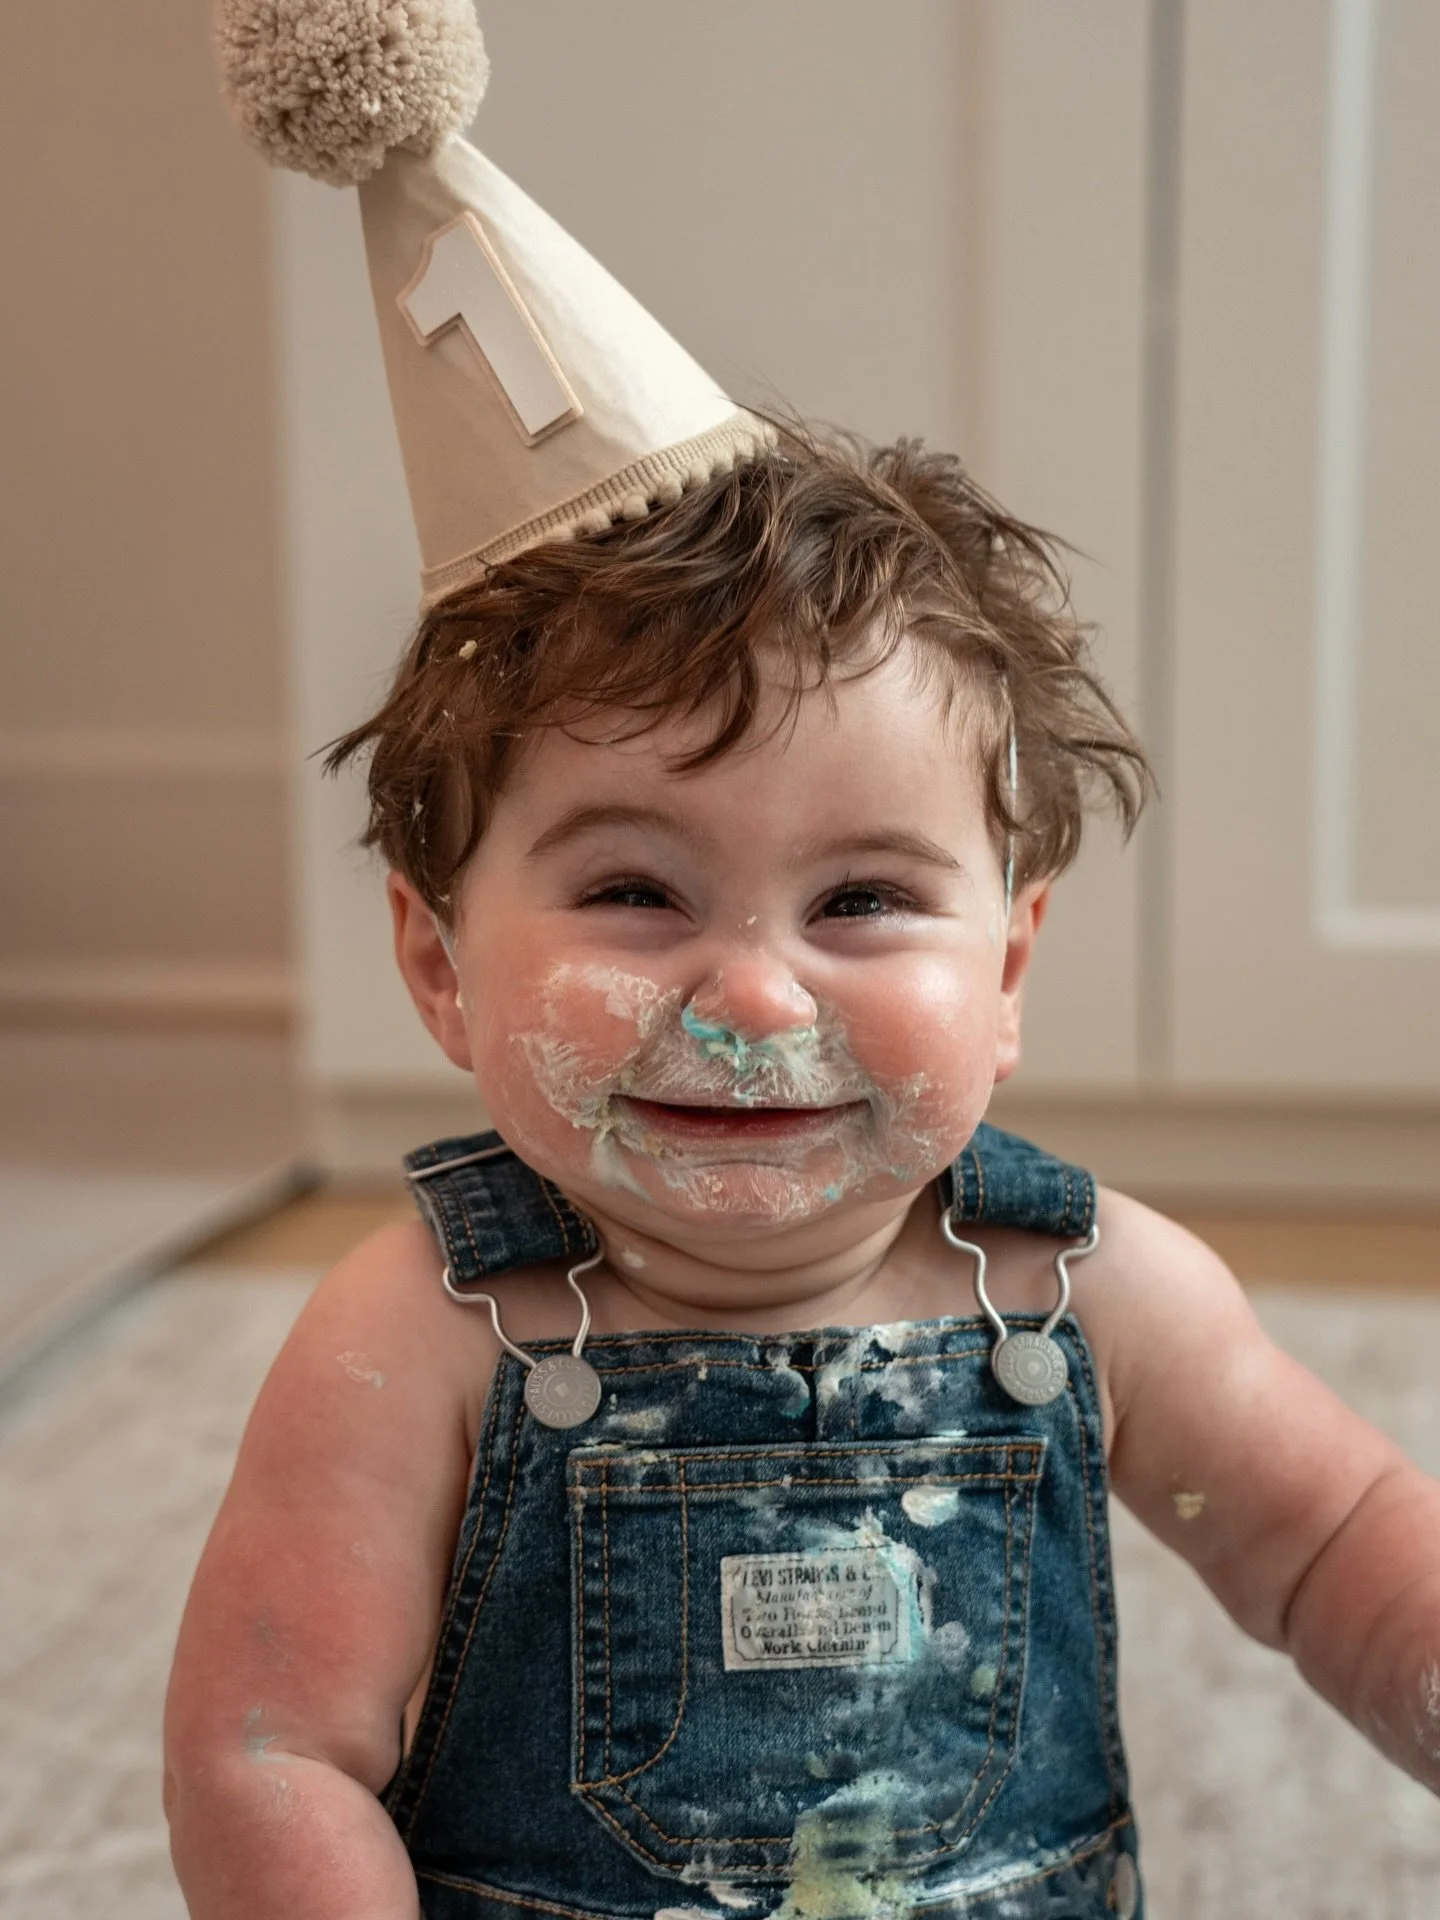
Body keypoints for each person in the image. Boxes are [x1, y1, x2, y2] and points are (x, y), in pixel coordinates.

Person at [165, 7, 1440, 1918]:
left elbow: (1333, 1538)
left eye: (860, 904)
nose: (755, 999)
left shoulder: (1079, 1288)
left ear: (1009, 969)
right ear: (437, 963)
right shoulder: (419, 1336)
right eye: (631, 895)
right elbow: (273, 1750)